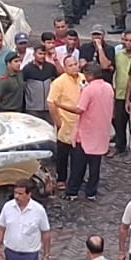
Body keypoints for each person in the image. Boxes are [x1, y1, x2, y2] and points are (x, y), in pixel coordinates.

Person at [67, 63, 114, 201]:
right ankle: (91, 192)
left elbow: (79, 109)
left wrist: (60, 105)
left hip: (86, 134)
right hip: (101, 132)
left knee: (78, 166)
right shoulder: (108, 87)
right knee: (95, 167)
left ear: (89, 75)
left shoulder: (89, 90)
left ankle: (72, 192)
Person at [47, 56, 83, 191]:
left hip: (80, 123)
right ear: (65, 67)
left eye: (75, 64)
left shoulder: (83, 78)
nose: (74, 67)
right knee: (63, 154)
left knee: (77, 153)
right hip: (65, 122)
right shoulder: (59, 82)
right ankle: (61, 178)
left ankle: (75, 177)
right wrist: (57, 121)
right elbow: (51, 102)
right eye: (70, 65)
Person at [111, 30, 131, 151]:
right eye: (126, 40)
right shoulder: (118, 55)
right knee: (118, 122)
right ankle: (120, 146)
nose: (128, 43)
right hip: (119, 93)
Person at [20, 45, 58, 124]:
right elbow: (22, 87)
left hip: (48, 108)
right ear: (34, 54)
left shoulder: (51, 68)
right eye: (40, 54)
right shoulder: (27, 69)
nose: (42, 56)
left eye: (44, 54)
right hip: (33, 108)